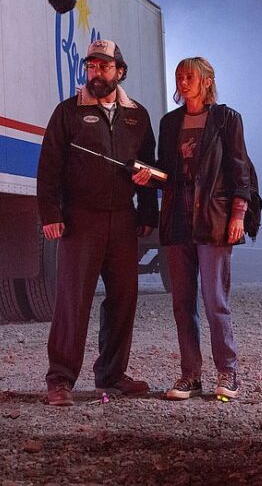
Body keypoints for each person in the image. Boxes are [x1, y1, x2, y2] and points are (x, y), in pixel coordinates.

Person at [36, 38, 158, 407]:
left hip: (122, 219)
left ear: (120, 71)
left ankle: (112, 374)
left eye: (104, 66)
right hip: (80, 220)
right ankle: (60, 379)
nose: (96, 73)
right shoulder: (68, 112)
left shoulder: (137, 115)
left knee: (123, 298)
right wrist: (51, 214)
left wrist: (147, 212)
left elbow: (149, 166)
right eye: (91, 66)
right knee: (73, 302)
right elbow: (49, 167)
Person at [135, 57, 252, 400]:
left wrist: (238, 215)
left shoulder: (226, 119)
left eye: (189, 77)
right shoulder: (170, 122)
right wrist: (149, 176)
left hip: (213, 218)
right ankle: (190, 375)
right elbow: (167, 172)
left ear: (206, 81)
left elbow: (240, 170)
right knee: (182, 303)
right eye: (179, 77)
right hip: (177, 219)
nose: (183, 83)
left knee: (215, 300)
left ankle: (227, 372)